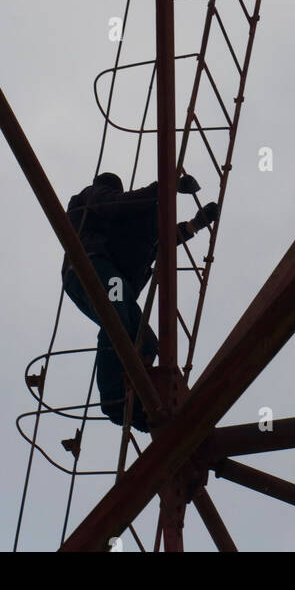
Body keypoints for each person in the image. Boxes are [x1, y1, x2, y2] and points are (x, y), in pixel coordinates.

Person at [61, 171, 218, 431]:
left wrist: (195, 225)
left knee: (145, 342)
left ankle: (138, 401)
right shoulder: (92, 198)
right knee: (116, 319)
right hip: (91, 265)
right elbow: (115, 204)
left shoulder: (123, 228)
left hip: (112, 277)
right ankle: (114, 399)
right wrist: (166, 186)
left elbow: (156, 242)